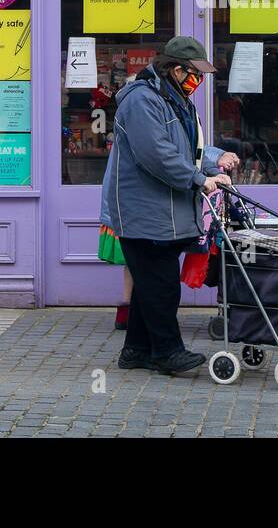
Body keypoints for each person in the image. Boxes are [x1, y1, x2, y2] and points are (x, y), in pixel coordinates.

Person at [100, 36, 239, 374]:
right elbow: (157, 155)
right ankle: (167, 352)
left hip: (162, 211)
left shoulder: (175, 99)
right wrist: (198, 180)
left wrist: (213, 165)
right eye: (195, 74)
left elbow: (186, 148)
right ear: (176, 70)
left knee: (151, 284)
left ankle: (135, 351)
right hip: (143, 211)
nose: (199, 81)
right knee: (160, 285)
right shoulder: (142, 101)